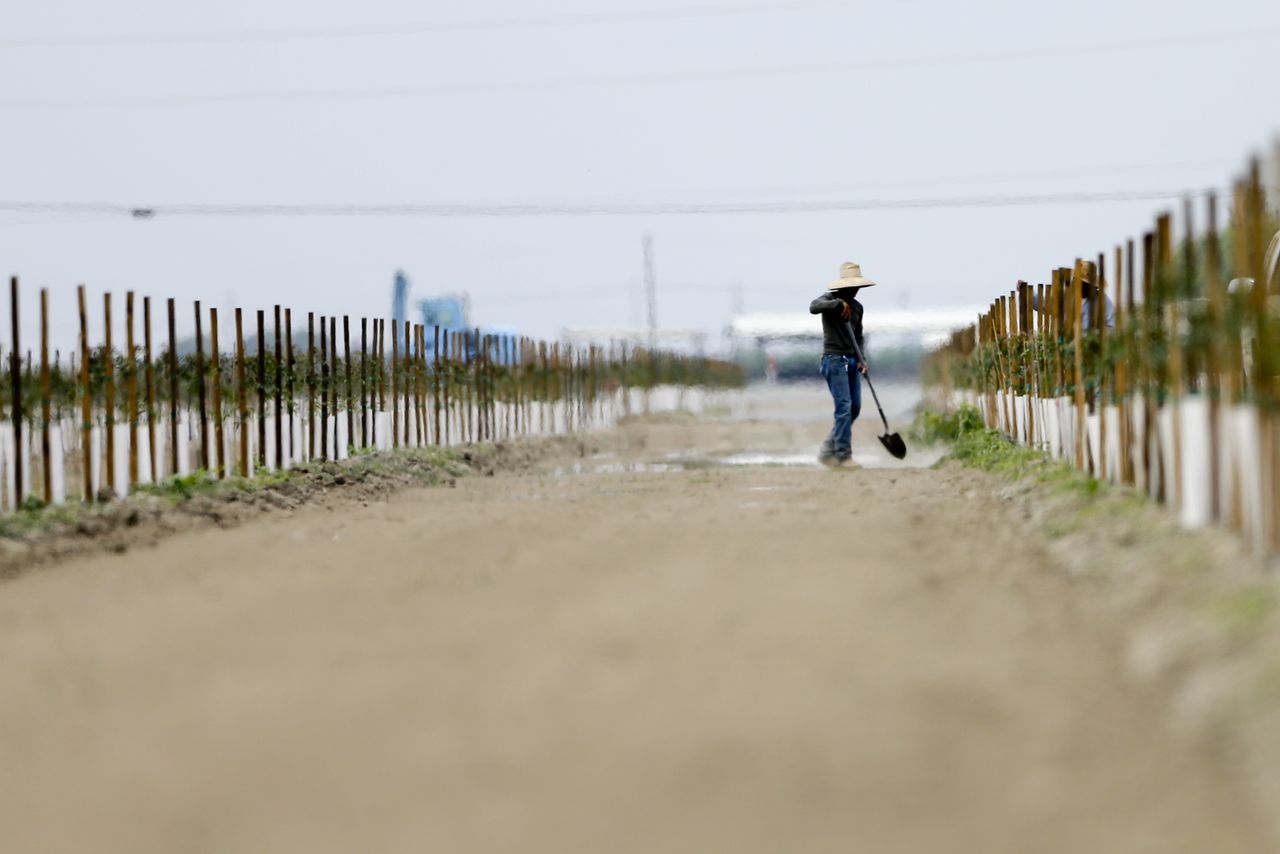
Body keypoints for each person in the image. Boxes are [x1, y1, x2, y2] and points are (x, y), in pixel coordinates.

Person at [809, 261, 875, 467]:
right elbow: (813, 307)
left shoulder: (858, 308)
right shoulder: (828, 299)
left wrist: (862, 359)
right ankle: (843, 455)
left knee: (853, 408)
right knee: (844, 407)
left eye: (857, 287)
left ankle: (827, 450)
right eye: (852, 286)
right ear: (843, 285)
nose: (855, 291)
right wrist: (837, 304)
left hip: (852, 360)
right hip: (834, 360)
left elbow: (859, 336)